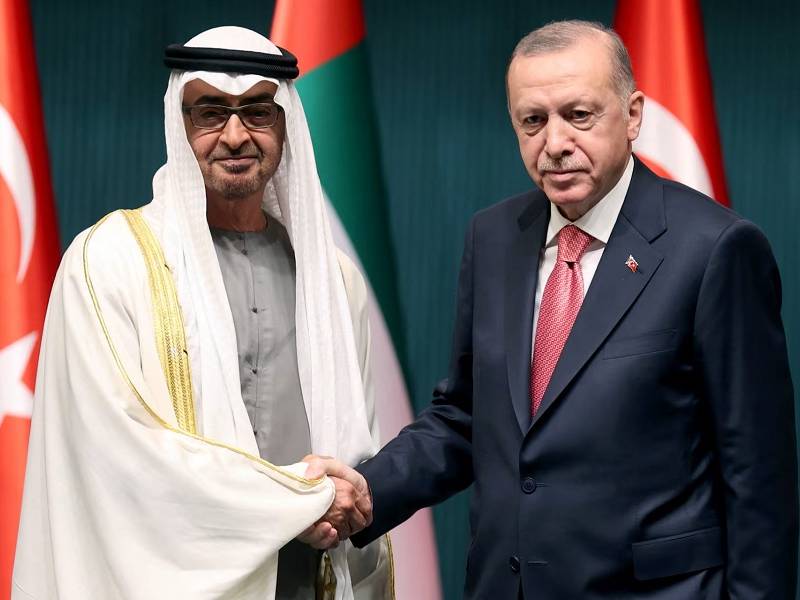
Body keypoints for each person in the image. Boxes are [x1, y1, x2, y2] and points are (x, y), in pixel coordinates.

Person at [308, 19, 799, 599]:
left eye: (579, 115)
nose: (555, 143)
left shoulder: (715, 249)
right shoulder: (493, 237)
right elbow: (467, 416)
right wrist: (369, 491)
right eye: (533, 121)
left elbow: (758, 475)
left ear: (633, 116)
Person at [12, 26, 387, 600]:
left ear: (286, 124)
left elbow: (359, 457)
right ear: (180, 123)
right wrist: (297, 500)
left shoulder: (334, 280)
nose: (235, 136)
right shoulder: (110, 262)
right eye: (210, 112)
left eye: (258, 112)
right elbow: (120, 461)